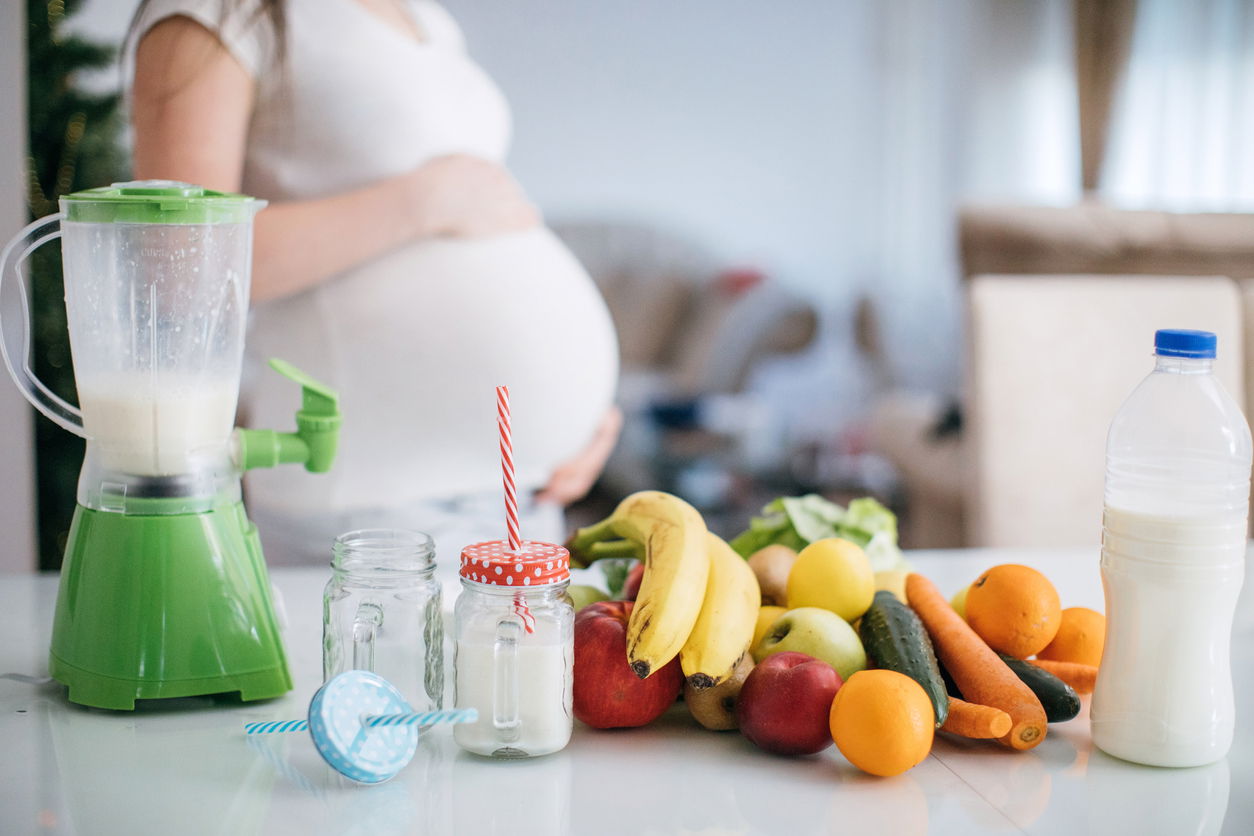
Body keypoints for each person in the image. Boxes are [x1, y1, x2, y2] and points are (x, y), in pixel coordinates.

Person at [127, 0, 621, 578]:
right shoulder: (220, 12)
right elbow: (179, 266)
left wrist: (582, 415)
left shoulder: (425, 18)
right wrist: (423, 201)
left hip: (525, 490)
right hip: (380, 505)